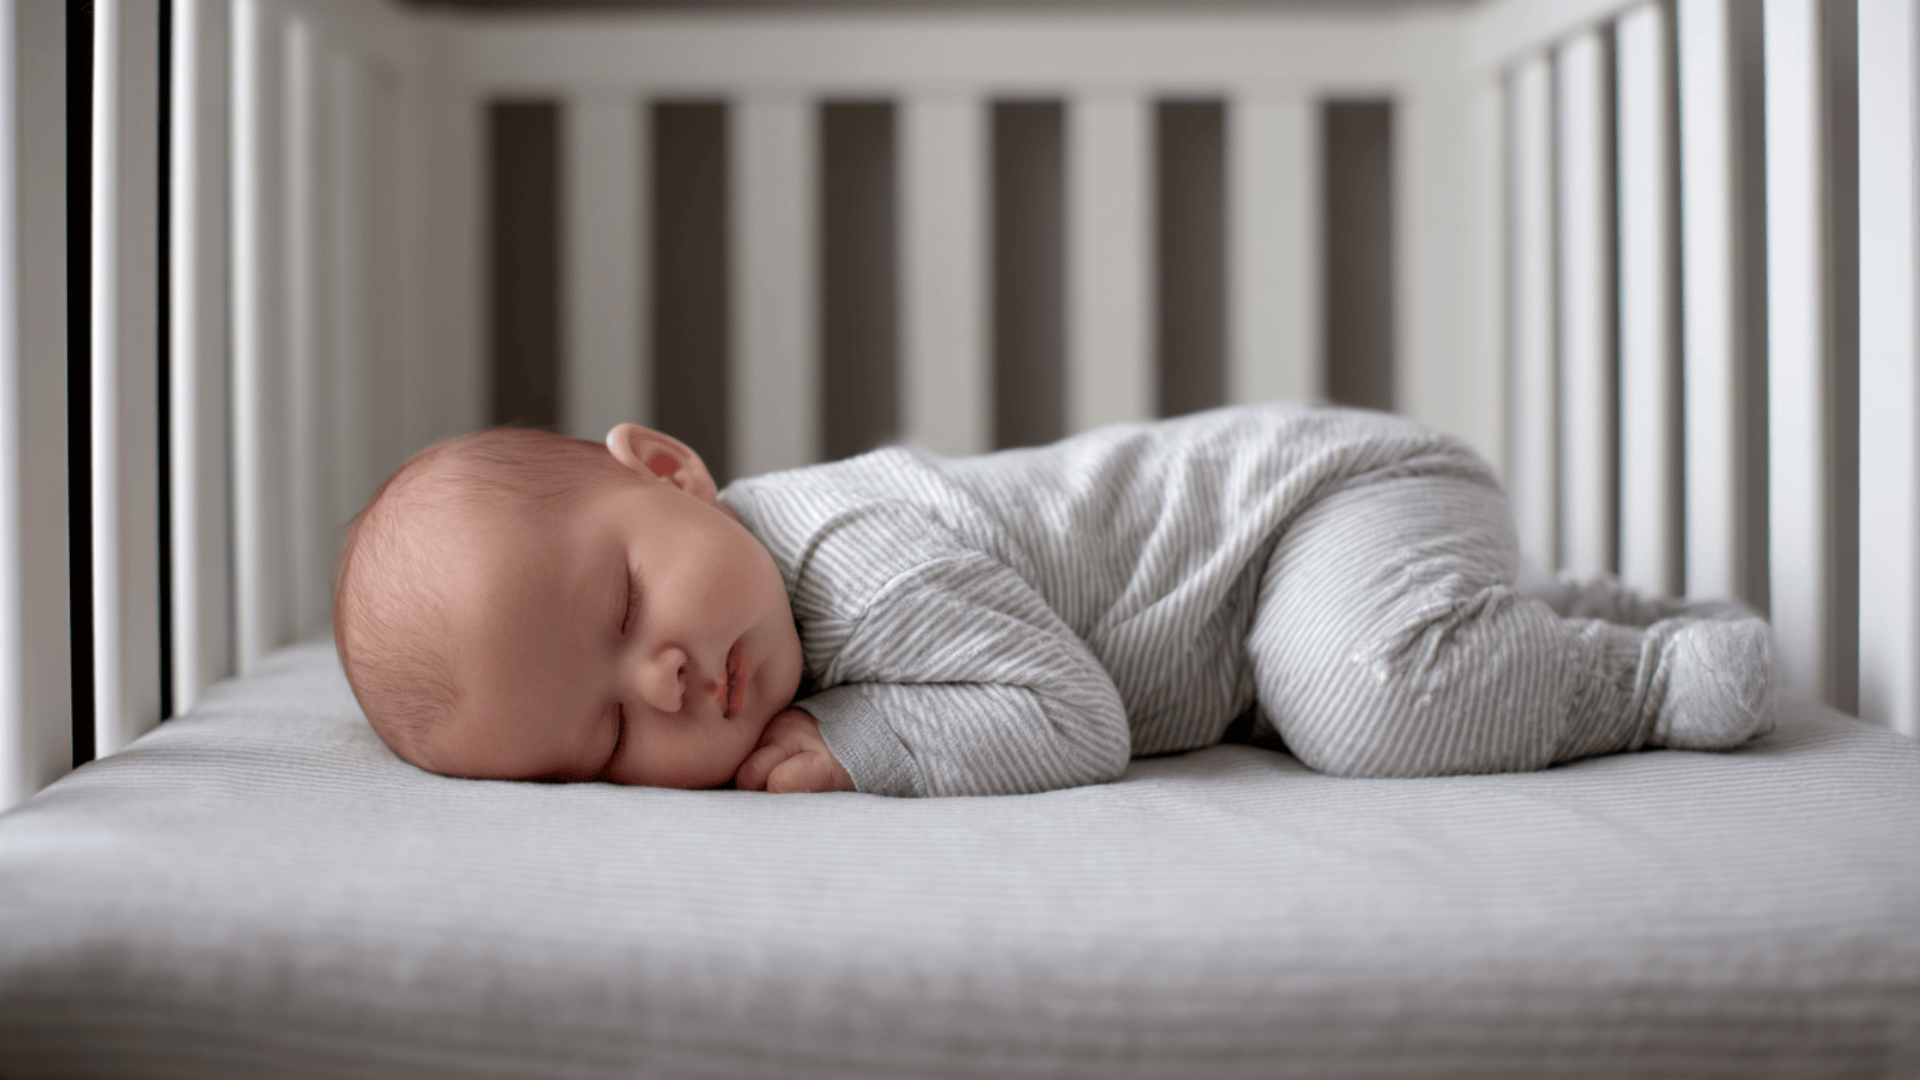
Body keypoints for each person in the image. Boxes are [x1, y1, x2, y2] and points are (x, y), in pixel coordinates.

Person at [333, 403, 1776, 797]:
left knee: (1357, 703)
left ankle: (1647, 677)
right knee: (1313, 678)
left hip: (1333, 498)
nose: (660, 685)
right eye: (601, 744)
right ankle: (1519, 612)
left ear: (672, 474)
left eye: (622, 604)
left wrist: (880, 748)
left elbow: (1073, 719)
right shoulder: (746, 602)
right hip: (1320, 573)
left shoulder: (855, 567)